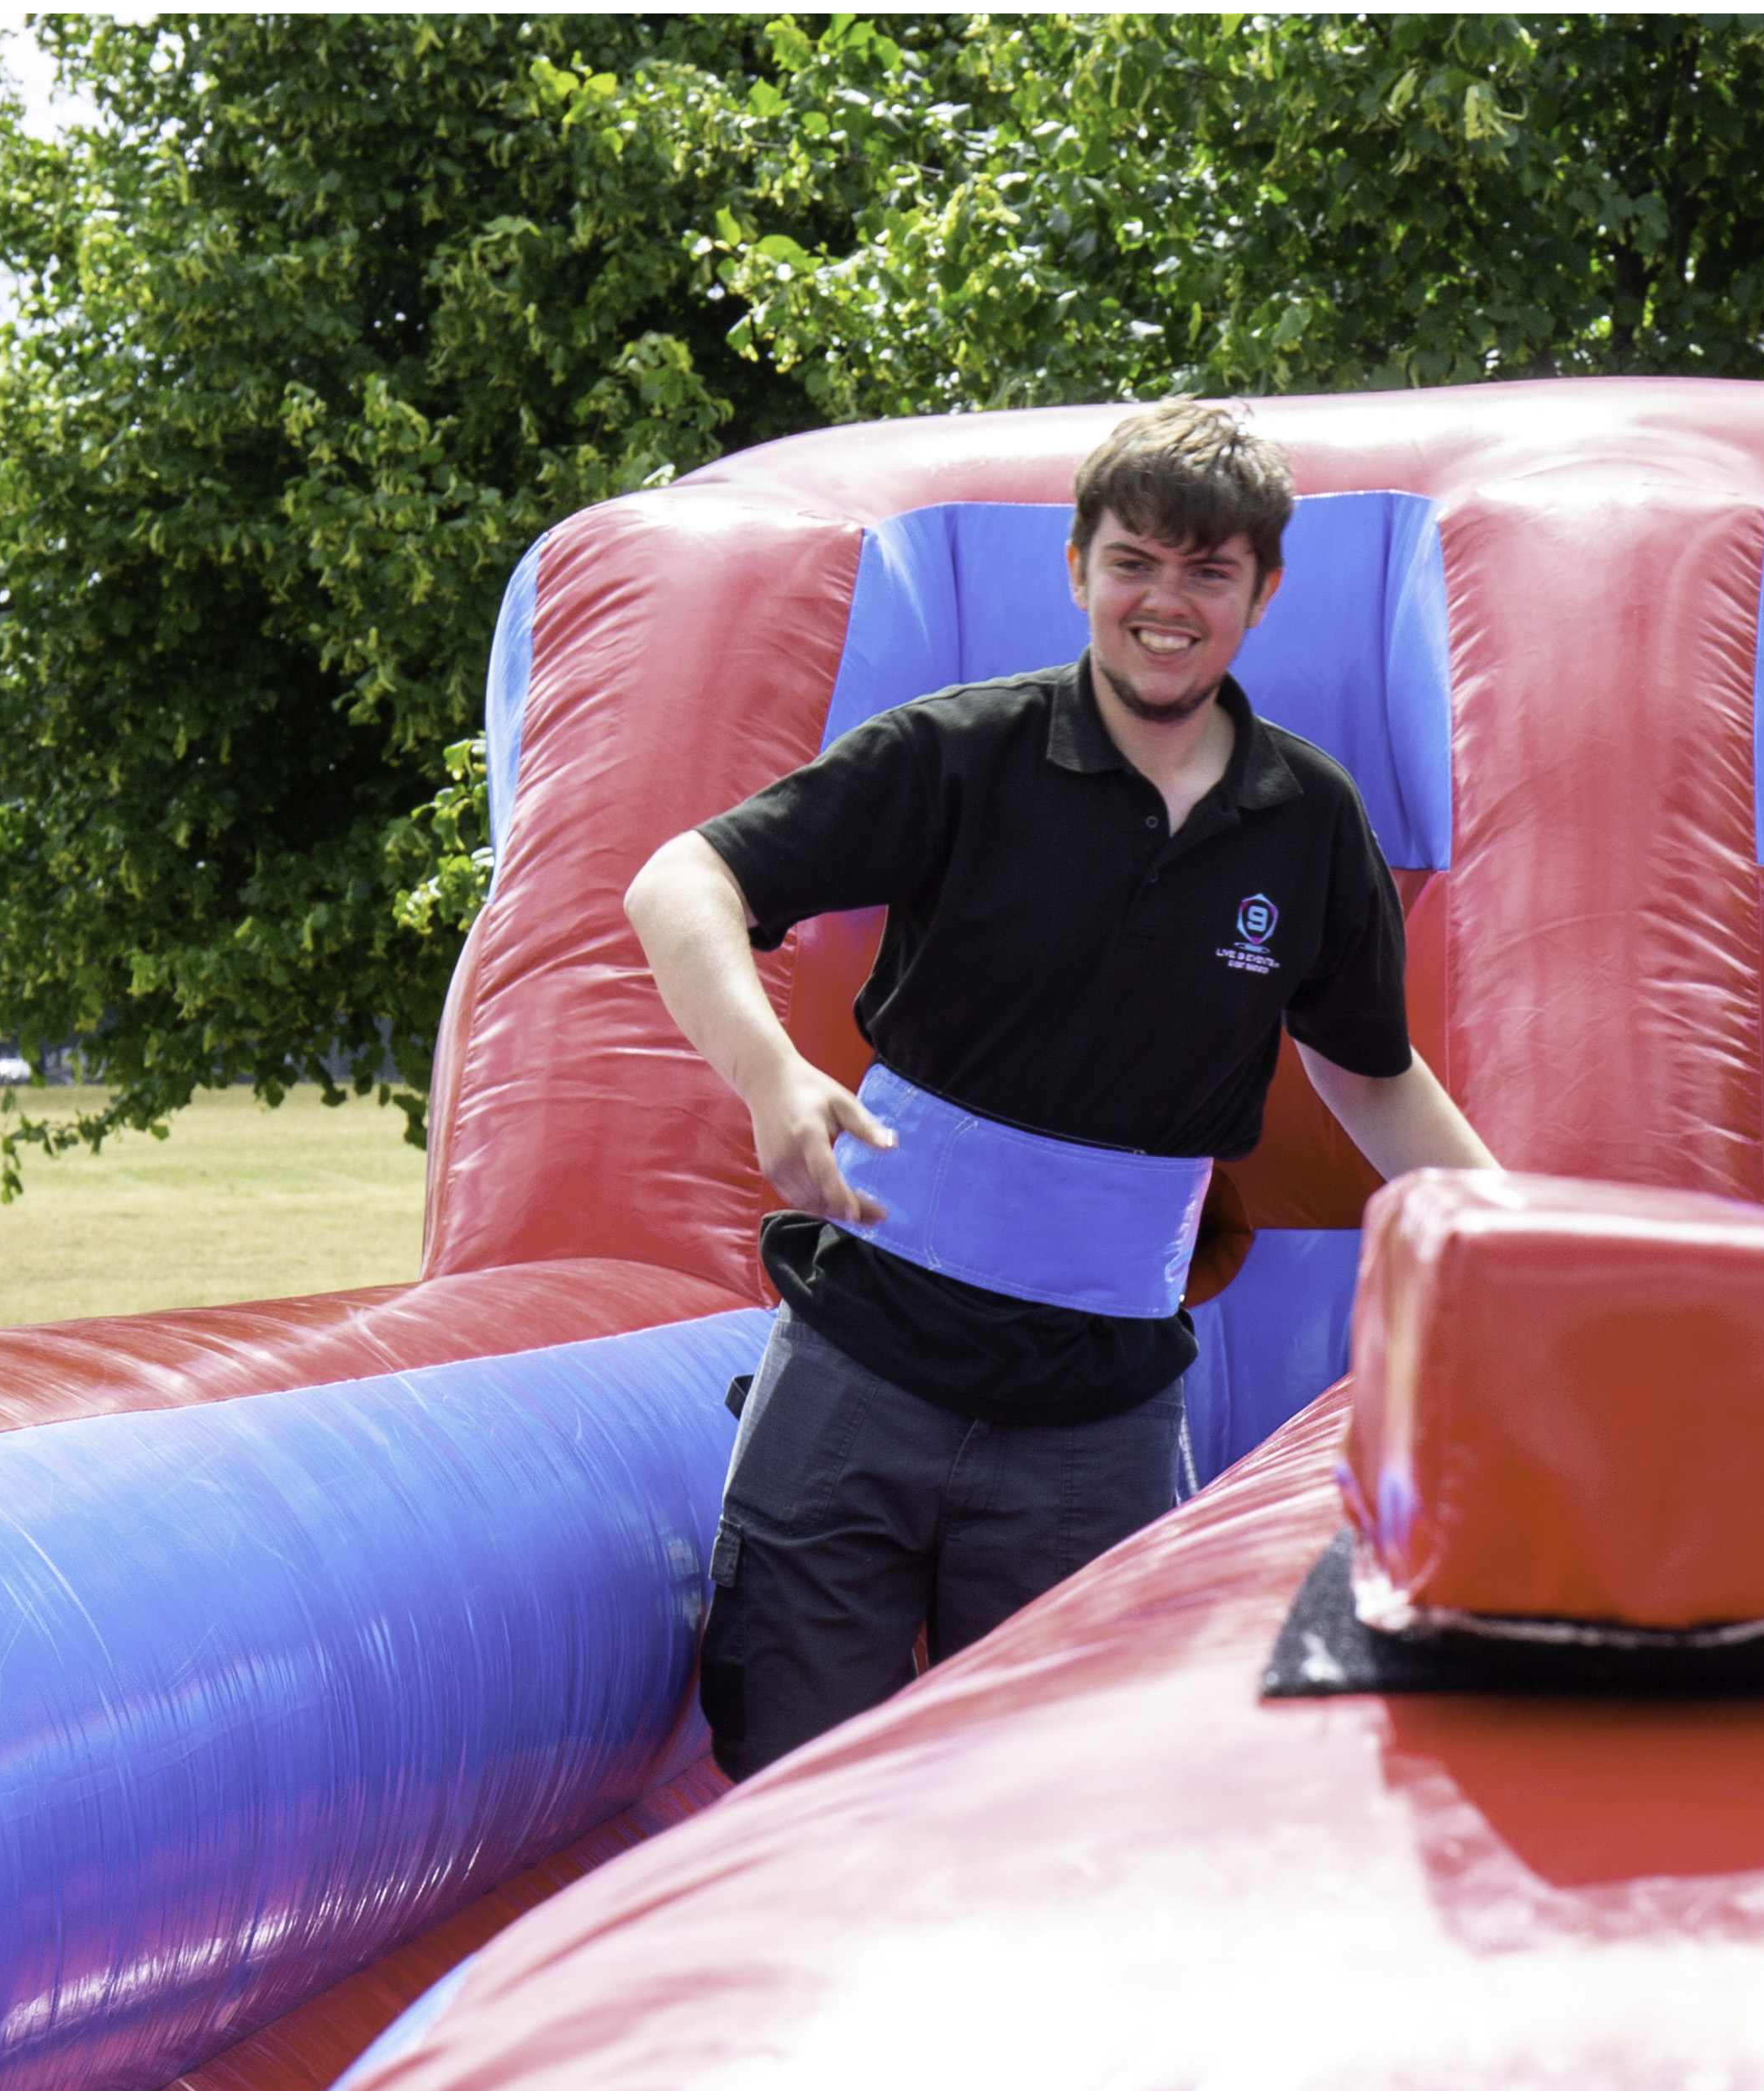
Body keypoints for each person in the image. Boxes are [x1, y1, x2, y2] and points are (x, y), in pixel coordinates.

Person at [627, 401, 1496, 1778]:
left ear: (1263, 593)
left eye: (1207, 572)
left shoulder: (1308, 820)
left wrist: (1516, 1241)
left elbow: (1371, 1076)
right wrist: (769, 1074)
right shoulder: (957, 755)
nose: (1166, 602)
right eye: (1134, 561)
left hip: (1099, 1424)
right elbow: (683, 879)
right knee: (789, 1780)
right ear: (1078, 566)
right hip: (861, 1376)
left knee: (1062, 1802)